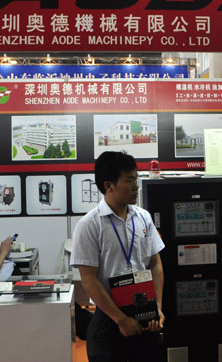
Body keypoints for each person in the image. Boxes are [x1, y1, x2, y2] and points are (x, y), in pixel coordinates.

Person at [71, 151, 165, 362]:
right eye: (129, 180)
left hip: (145, 313)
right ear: (109, 186)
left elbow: (155, 263)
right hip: (109, 319)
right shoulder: (90, 225)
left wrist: (157, 307)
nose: (135, 186)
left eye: (136, 179)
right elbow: (89, 279)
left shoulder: (143, 218)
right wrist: (121, 320)